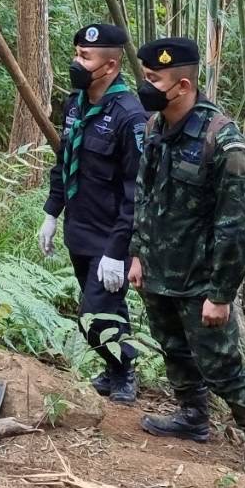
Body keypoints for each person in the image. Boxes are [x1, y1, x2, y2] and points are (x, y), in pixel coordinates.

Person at [129, 36, 245, 479]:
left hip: (202, 280)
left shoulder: (225, 145)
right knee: (174, 349)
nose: (146, 85)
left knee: (223, 367)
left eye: (153, 78)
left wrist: (221, 293)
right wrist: (137, 254)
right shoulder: (154, 128)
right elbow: (145, 195)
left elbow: (235, 229)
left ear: (181, 85)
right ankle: (192, 417)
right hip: (160, 270)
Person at [39, 23, 146, 403]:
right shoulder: (76, 104)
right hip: (79, 229)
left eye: (85, 57)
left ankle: (125, 372)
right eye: (77, 53)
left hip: (109, 234)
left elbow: (136, 191)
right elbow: (64, 160)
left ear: (111, 66)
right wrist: (52, 212)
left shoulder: (129, 116)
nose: (76, 62)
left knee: (94, 315)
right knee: (105, 309)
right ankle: (116, 369)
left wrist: (120, 250)